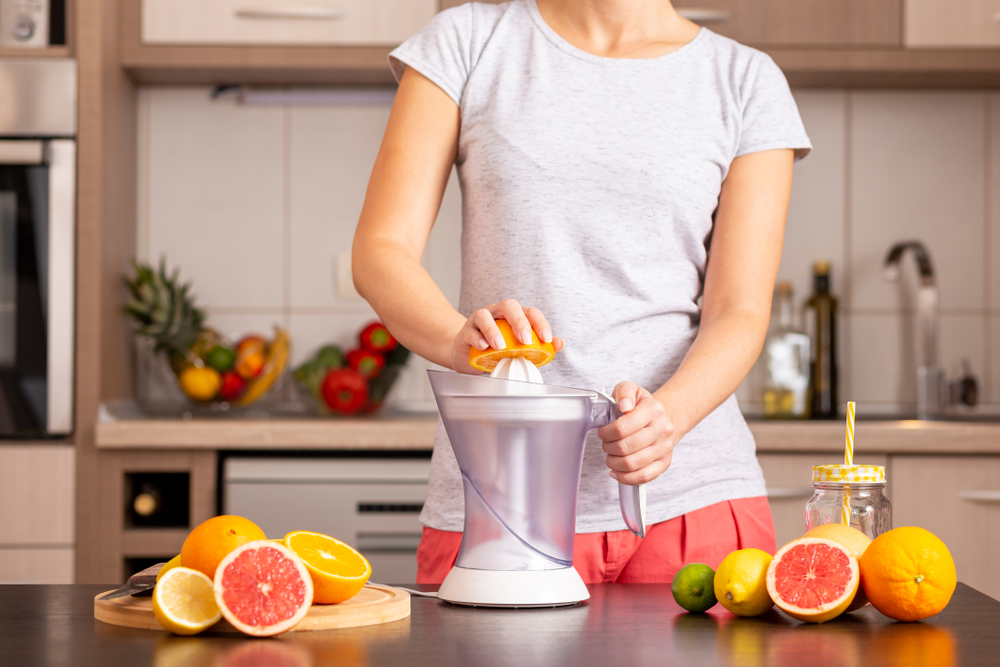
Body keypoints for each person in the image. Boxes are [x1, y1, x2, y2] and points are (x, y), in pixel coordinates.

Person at [352, 0, 811, 584]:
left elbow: (738, 307)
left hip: (692, 500)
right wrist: (456, 341)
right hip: (497, 502)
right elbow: (380, 249)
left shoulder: (745, 79)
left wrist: (670, 417)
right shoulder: (470, 41)